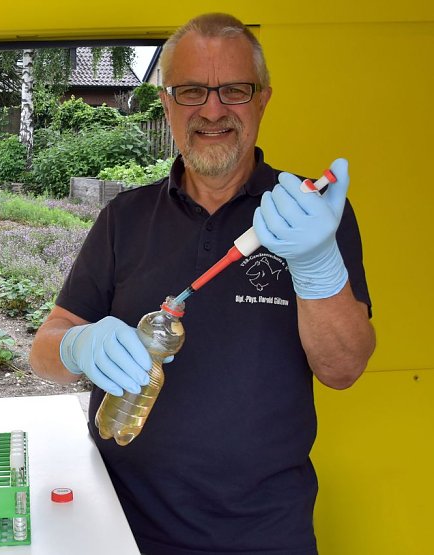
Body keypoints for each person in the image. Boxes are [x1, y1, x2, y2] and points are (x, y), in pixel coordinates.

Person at [28, 12, 376, 555]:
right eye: (191, 91)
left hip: (265, 535)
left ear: (262, 99)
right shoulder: (125, 217)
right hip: (116, 525)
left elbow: (344, 370)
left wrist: (317, 264)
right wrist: (77, 345)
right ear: (166, 104)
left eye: (233, 90)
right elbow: (44, 349)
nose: (212, 110)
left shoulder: (311, 215)